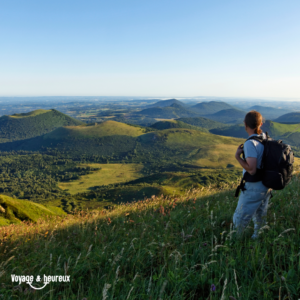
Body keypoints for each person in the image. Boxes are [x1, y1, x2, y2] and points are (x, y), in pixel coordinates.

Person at [233, 110, 272, 240]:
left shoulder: (250, 143)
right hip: (266, 185)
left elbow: (251, 169)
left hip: (254, 186)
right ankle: (259, 238)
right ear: (261, 123)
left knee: (239, 218)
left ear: (245, 124)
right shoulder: (265, 139)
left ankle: (236, 243)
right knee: (260, 215)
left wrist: (238, 157)